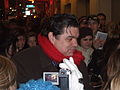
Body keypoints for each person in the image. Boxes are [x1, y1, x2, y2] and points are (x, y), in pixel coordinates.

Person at [12, 14, 93, 90]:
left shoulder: (78, 62)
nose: (75, 44)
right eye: (69, 39)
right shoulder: (24, 61)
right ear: (52, 37)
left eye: (76, 38)